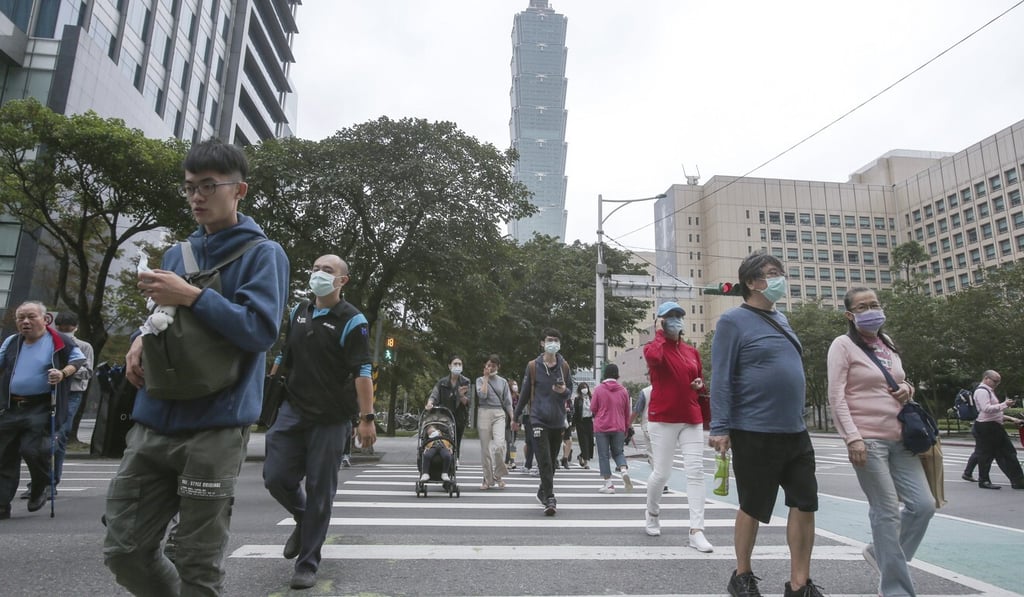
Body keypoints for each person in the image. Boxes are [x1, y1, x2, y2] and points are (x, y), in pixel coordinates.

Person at [103, 139, 290, 596]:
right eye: (189, 188)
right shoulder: (176, 255)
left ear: (239, 190)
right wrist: (137, 341)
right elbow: (161, 320)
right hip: (155, 417)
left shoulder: (264, 254)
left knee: (197, 560)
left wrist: (193, 295)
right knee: (123, 549)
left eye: (209, 186)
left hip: (217, 424)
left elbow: (259, 331)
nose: (197, 198)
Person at [709, 252, 823, 597]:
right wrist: (720, 427)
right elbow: (721, 377)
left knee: (805, 503)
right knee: (753, 506)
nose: (778, 280)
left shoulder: (783, 320)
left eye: (780, 273)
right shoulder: (733, 321)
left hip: (795, 430)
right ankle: (742, 575)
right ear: (751, 282)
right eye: (771, 274)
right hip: (754, 430)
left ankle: (799, 583)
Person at [263, 254, 377, 590]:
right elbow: (286, 355)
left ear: (343, 280)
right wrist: (269, 390)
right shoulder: (299, 311)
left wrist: (366, 418)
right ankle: (303, 517)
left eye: (327, 271)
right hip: (292, 410)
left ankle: (308, 563)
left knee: (320, 492)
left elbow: (363, 371)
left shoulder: (352, 320)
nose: (318, 275)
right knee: (275, 477)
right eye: (314, 269)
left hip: (330, 419)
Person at [827, 287, 935, 596]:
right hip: (868, 440)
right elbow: (836, 396)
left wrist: (908, 388)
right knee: (886, 511)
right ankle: (896, 589)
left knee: (923, 506)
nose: (871, 310)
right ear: (850, 315)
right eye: (863, 307)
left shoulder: (888, 344)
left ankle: (880, 554)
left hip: (902, 438)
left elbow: (900, 380)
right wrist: (852, 438)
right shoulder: (843, 345)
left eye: (874, 304)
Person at [0, 301, 86, 519]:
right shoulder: (12, 342)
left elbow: (77, 360)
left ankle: (40, 486)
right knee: (3, 455)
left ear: (45, 318)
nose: (25, 322)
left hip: (41, 406)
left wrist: (62, 373)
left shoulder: (59, 340)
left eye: (31, 317)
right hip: (11, 407)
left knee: (32, 450)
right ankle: (2, 504)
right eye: (21, 318)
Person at [644, 301, 713, 553]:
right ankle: (652, 513)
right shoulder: (654, 347)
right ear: (660, 321)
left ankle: (697, 530)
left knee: (695, 471)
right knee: (662, 474)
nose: (676, 320)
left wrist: (698, 385)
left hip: (691, 417)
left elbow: (701, 383)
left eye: (679, 316)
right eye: (670, 317)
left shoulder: (691, 352)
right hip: (663, 418)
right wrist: (660, 334)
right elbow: (654, 359)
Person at [512, 328, 573, 516]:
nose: (552, 343)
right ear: (542, 343)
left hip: (557, 420)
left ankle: (542, 491)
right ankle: (550, 498)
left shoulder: (564, 366)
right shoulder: (533, 366)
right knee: (544, 460)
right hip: (537, 419)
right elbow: (523, 394)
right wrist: (516, 417)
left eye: (555, 340)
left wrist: (563, 391)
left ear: (559, 344)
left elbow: (570, 391)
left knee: (552, 462)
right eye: (549, 340)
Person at [52, 311, 94, 487]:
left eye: (68, 330)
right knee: (46, 436)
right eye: (61, 329)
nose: (65, 333)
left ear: (75, 328)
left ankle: (52, 481)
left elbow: (88, 371)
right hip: (52, 392)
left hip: (72, 393)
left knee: (60, 434)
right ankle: (41, 481)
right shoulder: (50, 343)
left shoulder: (84, 347)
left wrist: (69, 370)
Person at [970, 370, 1024, 490]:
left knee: (1006, 453)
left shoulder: (989, 391)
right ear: (986, 378)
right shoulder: (981, 391)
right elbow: (986, 409)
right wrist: (1005, 404)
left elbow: (994, 413)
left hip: (993, 425)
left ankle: (1017, 480)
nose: (996, 384)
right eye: (995, 381)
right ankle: (984, 480)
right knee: (988, 454)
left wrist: (1011, 418)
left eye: (998, 382)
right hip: (987, 426)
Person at [590, 364, 632, 494]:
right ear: (617, 375)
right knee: (618, 453)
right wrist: (626, 428)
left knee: (603, 455)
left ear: (605, 374)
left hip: (602, 426)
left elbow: (593, 408)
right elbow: (627, 411)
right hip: (619, 425)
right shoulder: (623, 391)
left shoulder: (599, 390)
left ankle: (609, 484)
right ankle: (623, 470)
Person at [475, 354, 513, 490]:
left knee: (499, 445)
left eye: (494, 365)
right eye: (489, 365)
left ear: (498, 367)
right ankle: (487, 479)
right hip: (484, 412)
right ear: (485, 366)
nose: (491, 368)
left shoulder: (503, 382)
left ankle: (498, 475)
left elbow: (508, 402)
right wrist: (485, 378)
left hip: (499, 413)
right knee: (485, 449)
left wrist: (513, 417)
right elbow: (482, 395)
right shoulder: (479, 380)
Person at [426, 356, 471, 457]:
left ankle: (456, 457)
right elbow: (434, 395)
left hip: (460, 416)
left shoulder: (466, 382)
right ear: (449, 366)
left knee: (457, 438)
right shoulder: (442, 382)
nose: (457, 366)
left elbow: (468, 402)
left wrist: (462, 395)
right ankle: (442, 456)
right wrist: (430, 403)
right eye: (455, 364)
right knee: (444, 437)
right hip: (444, 416)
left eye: (460, 364)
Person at [572, 382, 595, 469]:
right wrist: (573, 424)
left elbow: (595, 409)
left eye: (585, 387)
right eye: (582, 387)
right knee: (584, 442)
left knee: (590, 442)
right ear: (580, 389)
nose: (584, 389)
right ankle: (586, 462)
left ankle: (581, 456)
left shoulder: (591, 398)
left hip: (589, 421)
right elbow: (575, 412)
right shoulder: (577, 399)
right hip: (580, 422)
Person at [632, 377, 653, 463]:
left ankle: (656, 471)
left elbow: (637, 410)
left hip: (648, 424)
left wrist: (628, 424)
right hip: (666, 426)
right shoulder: (669, 389)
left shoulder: (645, 391)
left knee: (652, 453)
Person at [505, 380, 520, 470]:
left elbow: (521, 409)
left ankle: (509, 461)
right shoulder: (507, 396)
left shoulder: (519, 397)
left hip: (516, 422)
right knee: (509, 442)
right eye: (513, 384)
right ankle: (510, 461)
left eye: (516, 384)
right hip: (507, 423)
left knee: (513, 443)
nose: (515, 386)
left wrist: (518, 421)